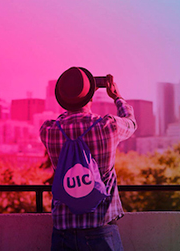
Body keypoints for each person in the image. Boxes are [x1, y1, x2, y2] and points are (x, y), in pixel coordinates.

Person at [40, 67, 137, 251]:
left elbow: (62, 119)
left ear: (62, 99)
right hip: (101, 229)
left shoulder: (49, 131)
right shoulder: (108, 126)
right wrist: (117, 97)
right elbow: (131, 122)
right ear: (90, 96)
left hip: (63, 233)